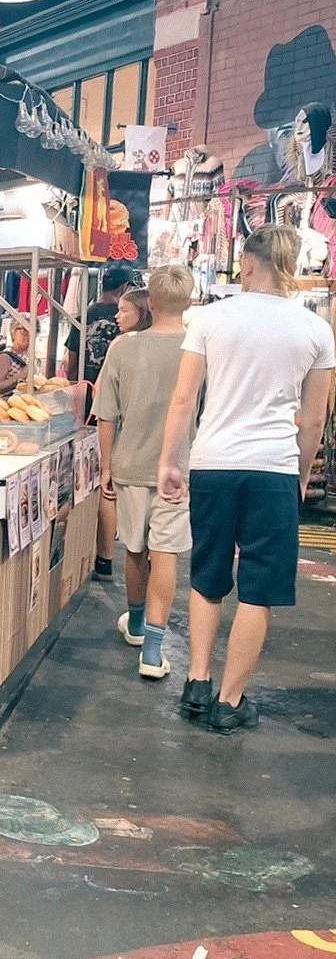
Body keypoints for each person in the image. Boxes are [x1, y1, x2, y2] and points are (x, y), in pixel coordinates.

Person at [157, 225, 335, 732]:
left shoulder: (210, 318)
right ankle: (230, 702)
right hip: (273, 468)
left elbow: (184, 398)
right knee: (258, 589)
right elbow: (314, 420)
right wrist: (299, 476)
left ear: (249, 263)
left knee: (208, 575)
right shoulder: (316, 330)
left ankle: (197, 682)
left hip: (213, 463)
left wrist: (169, 460)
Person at [94, 264, 195, 681]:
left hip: (131, 464)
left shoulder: (123, 348)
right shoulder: (199, 349)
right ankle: (152, 653)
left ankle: (136, 625)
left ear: (149, 303)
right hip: (181, 469)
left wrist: (105, 466)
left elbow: (106, 414)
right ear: (188, 302)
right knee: (166, 553)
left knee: (135, 549)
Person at [92, 276, 147, 582]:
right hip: (150, 438)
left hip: (121, 431)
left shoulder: (122, 345)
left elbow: (103, 397)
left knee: (109, 490)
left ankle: (105, 559)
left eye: (124, 310)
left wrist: (105, 465)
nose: (116, 316)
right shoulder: (172, 342)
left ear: (142, 312)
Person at [0, 321, 29, 395]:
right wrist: (21, 376)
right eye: (24, 330)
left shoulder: (34, 358)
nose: (28, 334)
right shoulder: (5, 357)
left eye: (34, 330)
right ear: (13, 333)